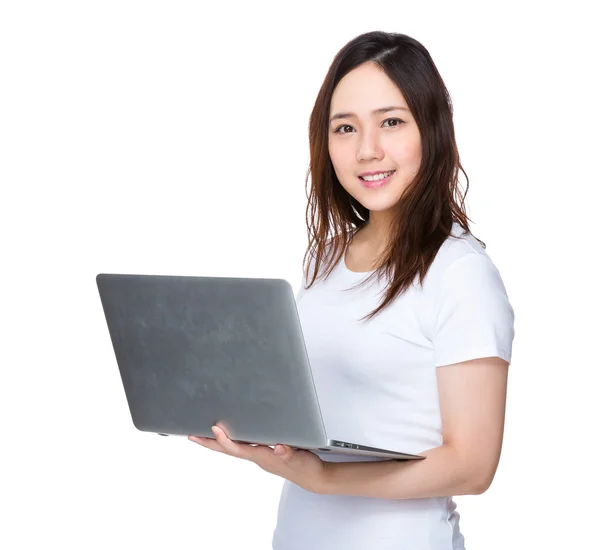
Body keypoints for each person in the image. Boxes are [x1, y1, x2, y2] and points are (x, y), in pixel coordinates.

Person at [188, 30, 515, 550]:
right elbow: (321, 413)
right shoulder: (325, 258)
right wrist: (249, 423)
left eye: (391, 122)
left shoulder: (460, 273)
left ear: (432, 129)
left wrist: (325, 478)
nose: (367, 150)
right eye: (345, 128)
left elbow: (472, 466)